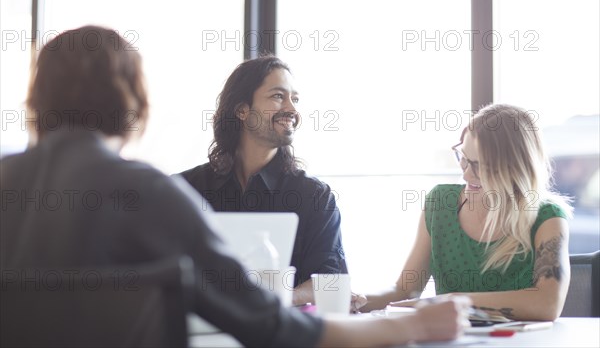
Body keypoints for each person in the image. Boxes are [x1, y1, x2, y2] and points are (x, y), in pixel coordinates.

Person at [0, 25, 471, 347]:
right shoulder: (148, 192)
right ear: (132, 102)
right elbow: (269, 325)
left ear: (39, 100)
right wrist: (411, 324)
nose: (291, 107)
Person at [359, 104, 572, 321]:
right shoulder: (441, 203)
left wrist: (454, 301)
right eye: (464, 158)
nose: (467, 174)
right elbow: (404, 291)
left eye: (481, 166)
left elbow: (547, 304)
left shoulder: (547, 217)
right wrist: (359, 300)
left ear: (515, 167)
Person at [178, 56, 348, 305]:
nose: (291, 109)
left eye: (295, 99)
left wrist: (271, 302)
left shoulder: (315, 196)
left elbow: (330, 281)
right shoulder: (188, 189)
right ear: (242, 110)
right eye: (278, 96)